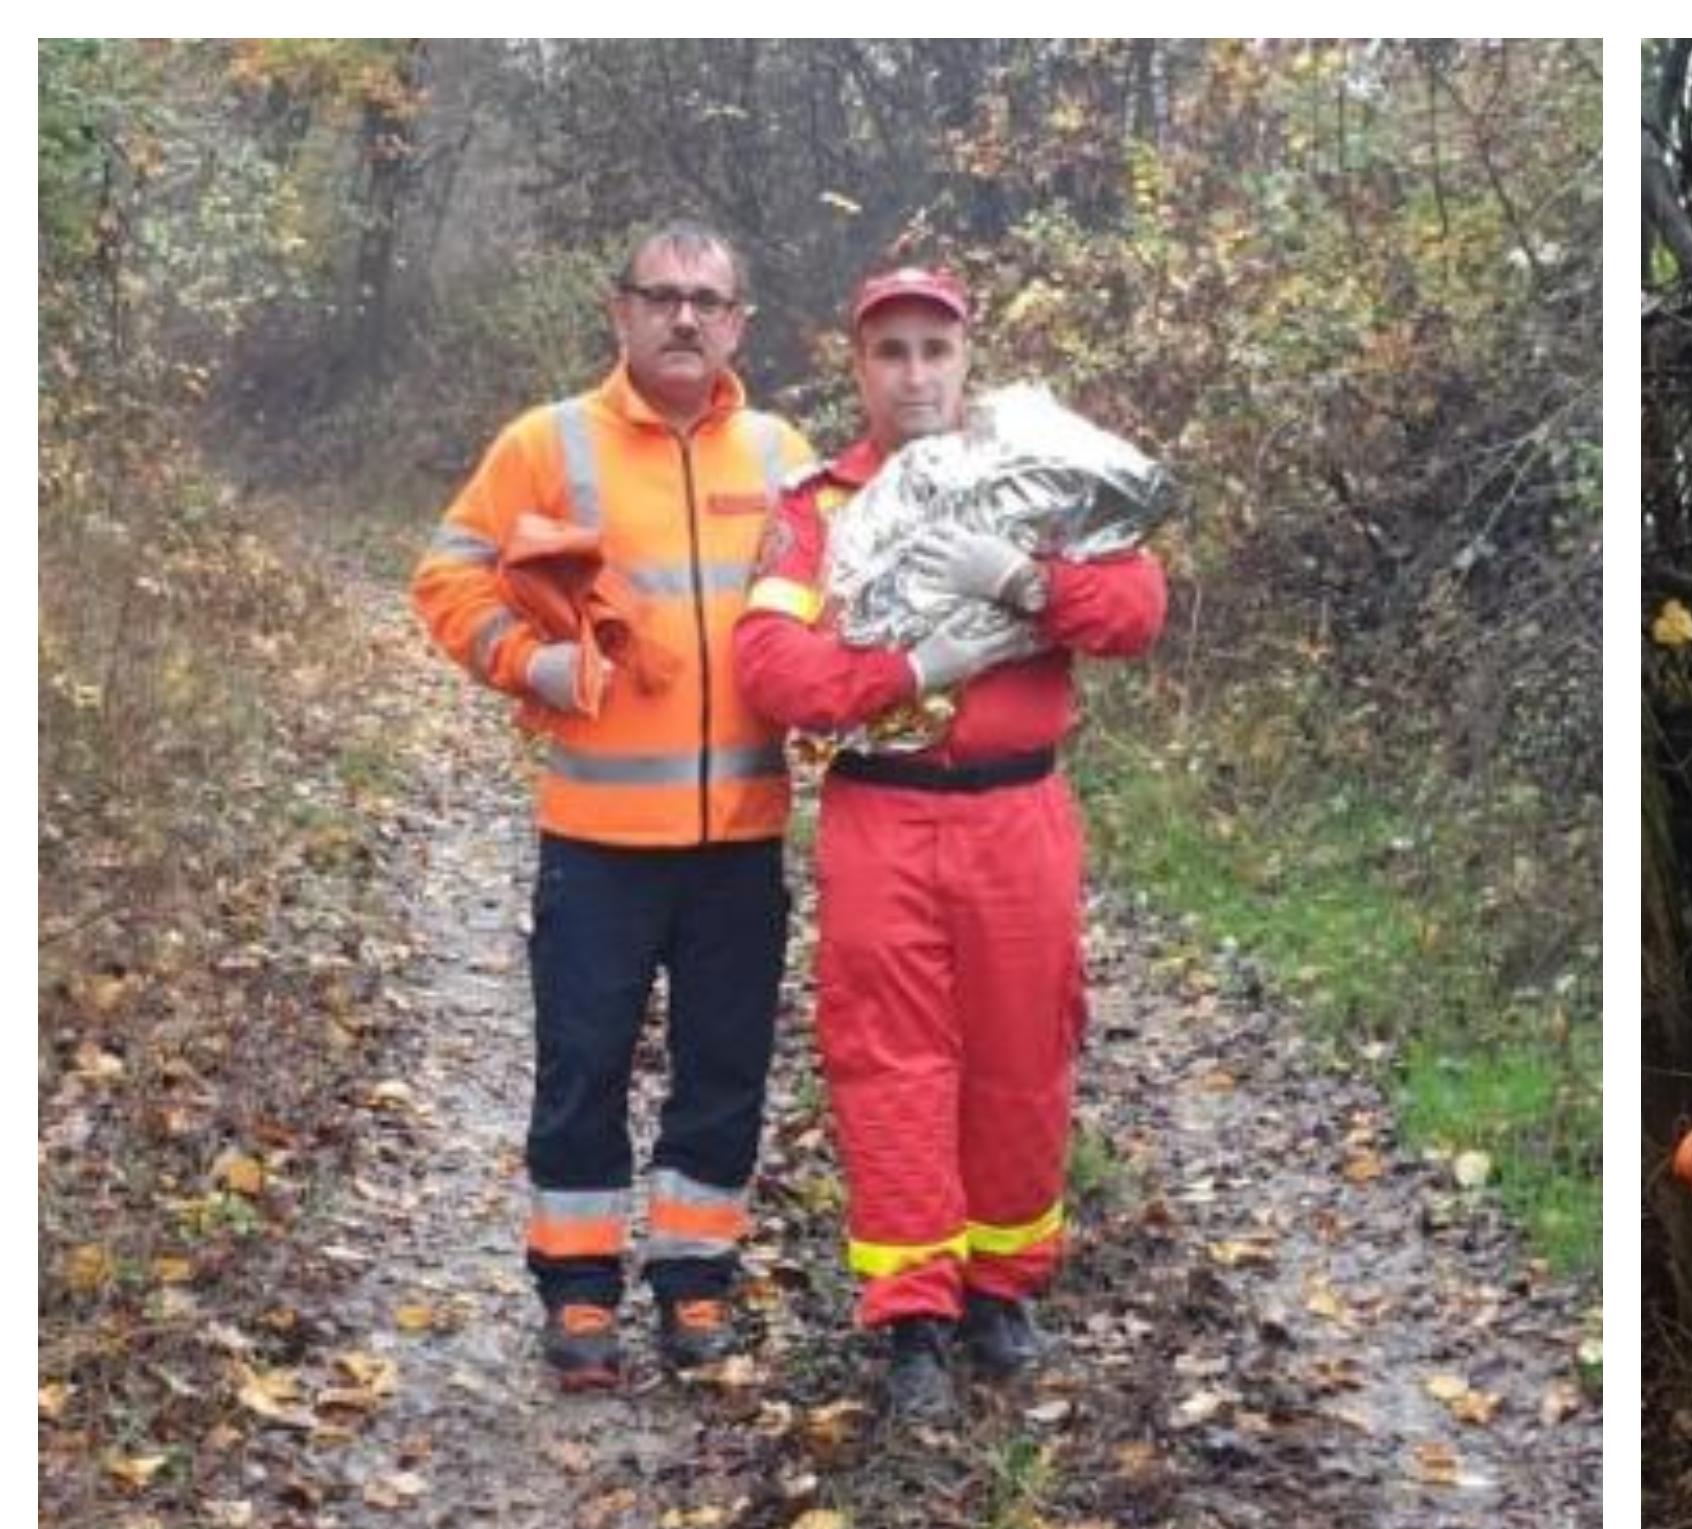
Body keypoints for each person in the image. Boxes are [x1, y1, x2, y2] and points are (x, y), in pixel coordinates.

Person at [732, 267, 1169, 1423]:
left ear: (966, 360)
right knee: (892, 1059)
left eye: (935, 348)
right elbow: (775, 672)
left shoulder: (1029, 474)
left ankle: (1002, 1289)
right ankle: (911, 1314)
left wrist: (1027, 582)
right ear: (859, 367)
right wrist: (912, 670)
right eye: (892, 352)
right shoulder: (816, 508)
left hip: (1019, 815)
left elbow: (1135, 611)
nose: (915, 373)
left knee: (1024, 1048)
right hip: (883, 813)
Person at [410, 221, 815, 1391]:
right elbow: (446, 571)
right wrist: (523, 661)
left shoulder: (785, 452)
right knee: (582, 1064)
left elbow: (833, 601)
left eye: (708, 299)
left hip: (740, 836)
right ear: (620, 312)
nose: (685, 317)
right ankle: (578, 1293)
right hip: (595, 837)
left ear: (740, 322)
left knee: (725, 1063)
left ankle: (696, 1280)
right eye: (662, 296)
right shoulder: (551, 442)